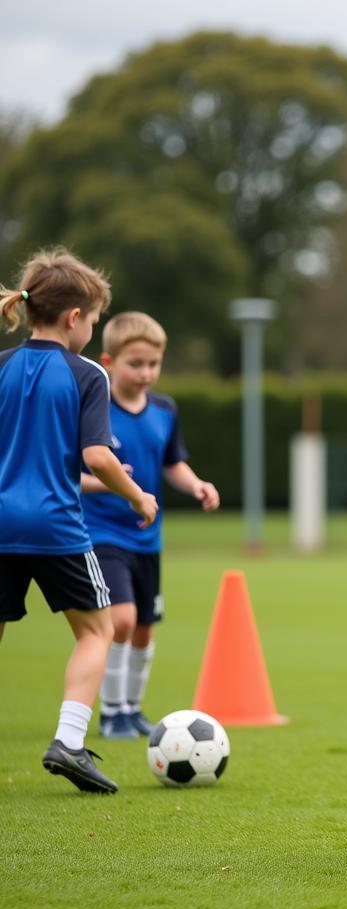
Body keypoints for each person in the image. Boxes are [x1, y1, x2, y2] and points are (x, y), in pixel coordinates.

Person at [0, 248, 158, 794]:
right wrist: (137, 495)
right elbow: (96, 456)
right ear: (75, 318)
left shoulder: (1, 366)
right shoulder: (85, 373)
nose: (91, 329)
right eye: (93, 320)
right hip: (56, 527)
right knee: (98, 631)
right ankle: (68, 742)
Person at [81, 312, 220, 739]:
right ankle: (111, 713)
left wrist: (196, 485)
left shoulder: (164, 409)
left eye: (152, 364)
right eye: (135, 364)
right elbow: (73, 473)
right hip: (103, 533)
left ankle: (132, 707)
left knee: (142, 627)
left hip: (148, 537)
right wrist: (112, 484)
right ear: (109, 360)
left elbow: (171, 463)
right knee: (119, 619)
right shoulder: (94, 406)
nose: (145, 373)